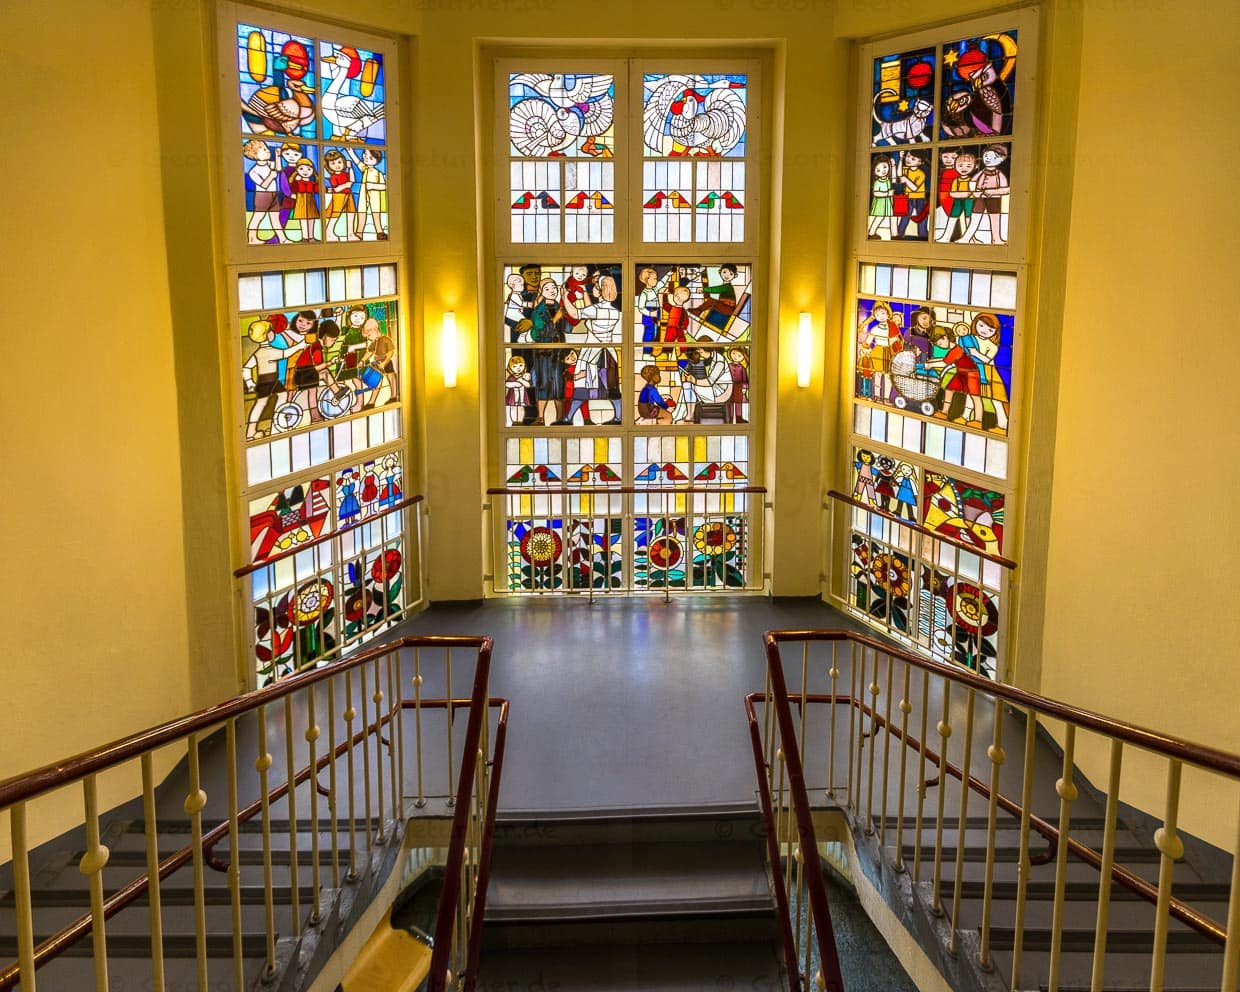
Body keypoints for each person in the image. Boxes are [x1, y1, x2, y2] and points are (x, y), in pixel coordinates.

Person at [243, 140, 288, 244]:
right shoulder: (254, 171)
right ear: (254, 155)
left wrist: (278, 156)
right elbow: (264, 185)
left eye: (267, 149)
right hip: (262, 195)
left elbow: (279, 168)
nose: (267, 151)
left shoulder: (269, 164)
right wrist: (271, 176)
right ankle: (252, 238)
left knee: (275, 218)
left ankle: (282, 239)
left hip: (274, 193)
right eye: (263, 149)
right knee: (258, 216)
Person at [322, 149, 358, 242]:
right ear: (328, 165)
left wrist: (350, 168)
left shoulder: (345, 174)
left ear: (344, 162)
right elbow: (336, 189)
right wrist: (345, 185)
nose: (337, 165)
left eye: (339, 162)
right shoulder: (333, 177)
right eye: (333, 163)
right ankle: (328, 232)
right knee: (335, 213)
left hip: (348, 194)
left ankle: (350, 234)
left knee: (351, 212)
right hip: (339, 196)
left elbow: (352, 180)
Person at [867, 157, 896, 239]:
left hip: (888, 203)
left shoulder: (888, 180)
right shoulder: (877, 182)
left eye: (885, 167)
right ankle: (871, 233)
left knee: (891, 217)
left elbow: (894, 178)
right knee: (879, 217)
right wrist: (887, 193)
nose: (883, 171)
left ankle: (894, 235)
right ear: (875, 172)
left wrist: (893, 166)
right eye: (878, 170)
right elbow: (876, 193)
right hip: (880, 203)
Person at [504, 355, 531, 426]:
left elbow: (528, 385)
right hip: (513, 397)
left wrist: (522, 380)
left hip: (522, 398)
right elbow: (507, 384)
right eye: (514, 366)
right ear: (510, 368)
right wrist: (514, 384)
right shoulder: (511, 377)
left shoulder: (524, 376)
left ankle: (520, 421)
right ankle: (514, 421)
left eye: (520, 365)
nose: (518, 368)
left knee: (521, 409)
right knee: (513, 409)